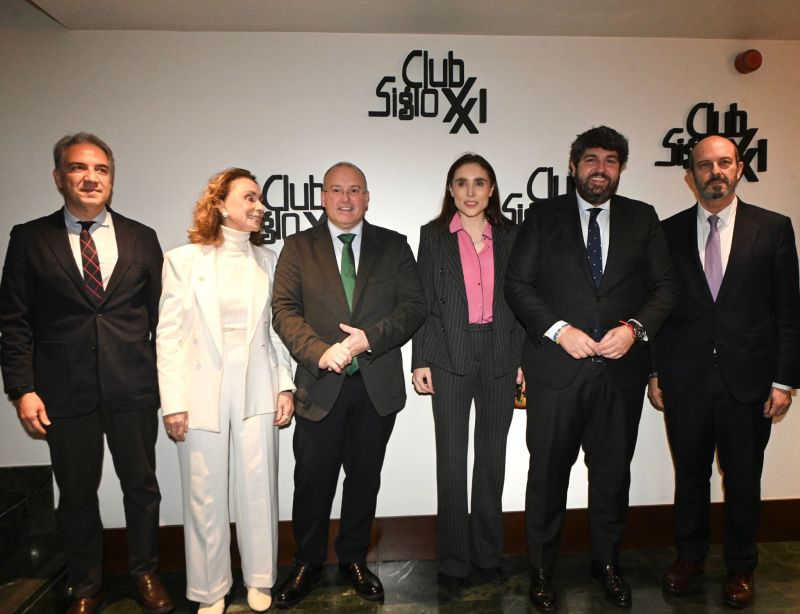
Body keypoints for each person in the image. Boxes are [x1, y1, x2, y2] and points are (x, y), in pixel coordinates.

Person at [505, 126, 677, 611]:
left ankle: (607, 565)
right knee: (547, 477)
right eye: (591, 160)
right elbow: (517, 285)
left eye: (610, 161)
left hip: (619, 376)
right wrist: (559, 330)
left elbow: (665, 288)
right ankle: (541, 570)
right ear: (573, 166)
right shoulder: (542, 216)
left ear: (620, 169)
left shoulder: (643, 218)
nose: (600, 169)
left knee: (612, 477)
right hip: (555, 372)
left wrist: (634, 330)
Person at [0, 133, 172, 614]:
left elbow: (164, 320)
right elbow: (13, 320)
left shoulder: (142, 237)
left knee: (142, 488)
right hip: (62, 391)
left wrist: (172, 386)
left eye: (101, 169)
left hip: (133, 387)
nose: (91, 177)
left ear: (111, 178)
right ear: (59, 177)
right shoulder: (29, 238)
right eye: (78, 168)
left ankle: (145, 573)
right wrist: (22, 389)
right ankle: (85, 584)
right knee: (75, 494)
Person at [648, 135, 800, 609]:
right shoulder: (667, 232)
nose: (714, 172)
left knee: (743, 479)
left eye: (724, 162)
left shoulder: (773, 228)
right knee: (690, 475)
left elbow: (788, 312)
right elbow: (657, 309)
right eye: (704, 165)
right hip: (684, 379)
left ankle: (741, 566)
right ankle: (689, 558)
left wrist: (783, 381)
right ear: (690, 175)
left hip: (749, 381)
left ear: (738, 168)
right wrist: (654, 372)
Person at [271, 161, 425, 608]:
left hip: (374, 387)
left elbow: (413, 307)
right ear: (323, 197)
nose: (345, 198)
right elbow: (283, 310)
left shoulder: (394, 245)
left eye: (354, 190)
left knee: (364, 480)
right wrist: (320, 351)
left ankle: (353, 558)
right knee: (313, 481)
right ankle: (307, 562)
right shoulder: (297, 247)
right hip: (320, 383)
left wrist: (368, 340)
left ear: (367, 198)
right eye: (336, 190)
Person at [156, 168, 295, 614]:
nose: (260, 206)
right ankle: (209, 588)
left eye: (260, 199)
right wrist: (173, 402)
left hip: (258, 381)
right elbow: (169, 335)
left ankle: (260, 579)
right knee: (204, 491)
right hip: (200, 388)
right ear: (219, 204)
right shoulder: (182, 260)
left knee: (259, 485)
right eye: (250, 197)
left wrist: (285, 385)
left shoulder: (268, 260)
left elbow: (276, 331)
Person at [411, 153, 523, 595]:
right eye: (462, 182)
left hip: (502, 353)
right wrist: (420, 359)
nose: (471, 191)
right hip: (448, 355)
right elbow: (423, 300)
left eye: (479, 183)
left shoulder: (512, 235)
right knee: (452, 461)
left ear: (492, 189)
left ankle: (489, 555)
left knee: (492, 460)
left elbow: (523, 299)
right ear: (451, 189)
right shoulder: (433, 235)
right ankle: (454, 560)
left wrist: (524, 360)